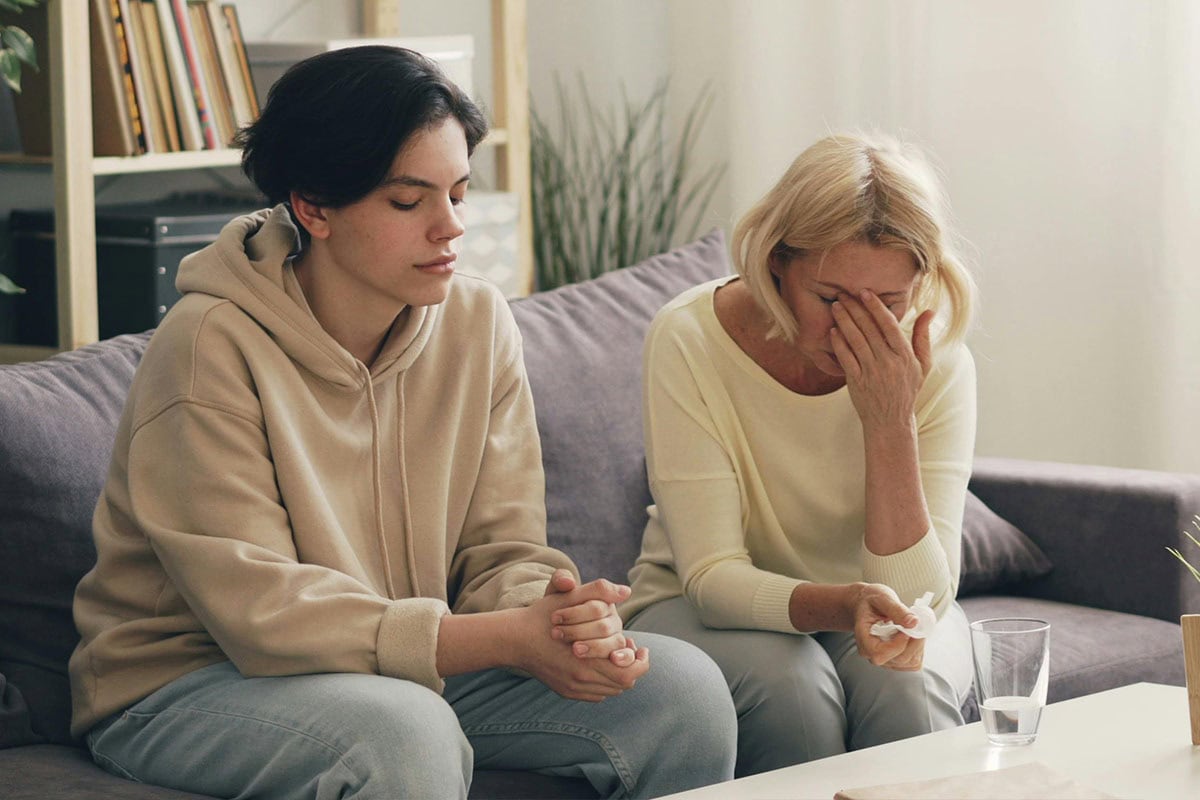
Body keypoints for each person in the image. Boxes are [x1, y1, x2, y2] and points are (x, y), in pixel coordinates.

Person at [68, 46, 736, 800]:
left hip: (399, 668)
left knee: (680, 693)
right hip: (192, 682)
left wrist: (551, 623)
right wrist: (496, 640)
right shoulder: (208, 346)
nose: (450, 227)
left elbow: (503, 547)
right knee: (403, 731)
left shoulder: (477, 321)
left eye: (458, 192)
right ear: (314, 206)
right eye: (408, 201)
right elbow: (261, 614)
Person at [623, 132, 978, 776]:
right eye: (830, 298)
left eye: (888, 303)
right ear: (777, 263)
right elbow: (710, 580)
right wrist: (844, 604)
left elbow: (921, 598)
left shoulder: (940, 362)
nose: (853, 330)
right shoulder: (689, 338)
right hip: (698, 607)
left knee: (907, 685)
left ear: (921, 283)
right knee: (791, 686)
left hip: (876, 608)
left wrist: (889, 421)